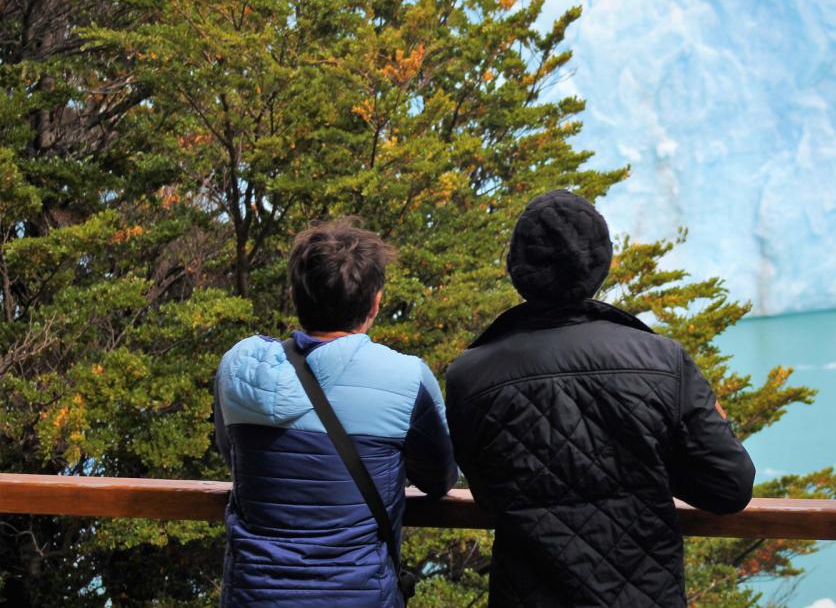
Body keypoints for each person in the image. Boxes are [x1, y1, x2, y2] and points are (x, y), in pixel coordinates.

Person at [446, 190, 756, 607]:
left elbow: (486, 493)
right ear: (600, 263)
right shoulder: (662, 360)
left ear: (517, 268)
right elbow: (730, 488)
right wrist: (657, 455)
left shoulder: (470, 375)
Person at [213, 219, 456, 607]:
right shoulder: (408, 378)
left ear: (295, 295)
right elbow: (440, 478)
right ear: (376, 302)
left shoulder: (237, 367)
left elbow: (234, 458)